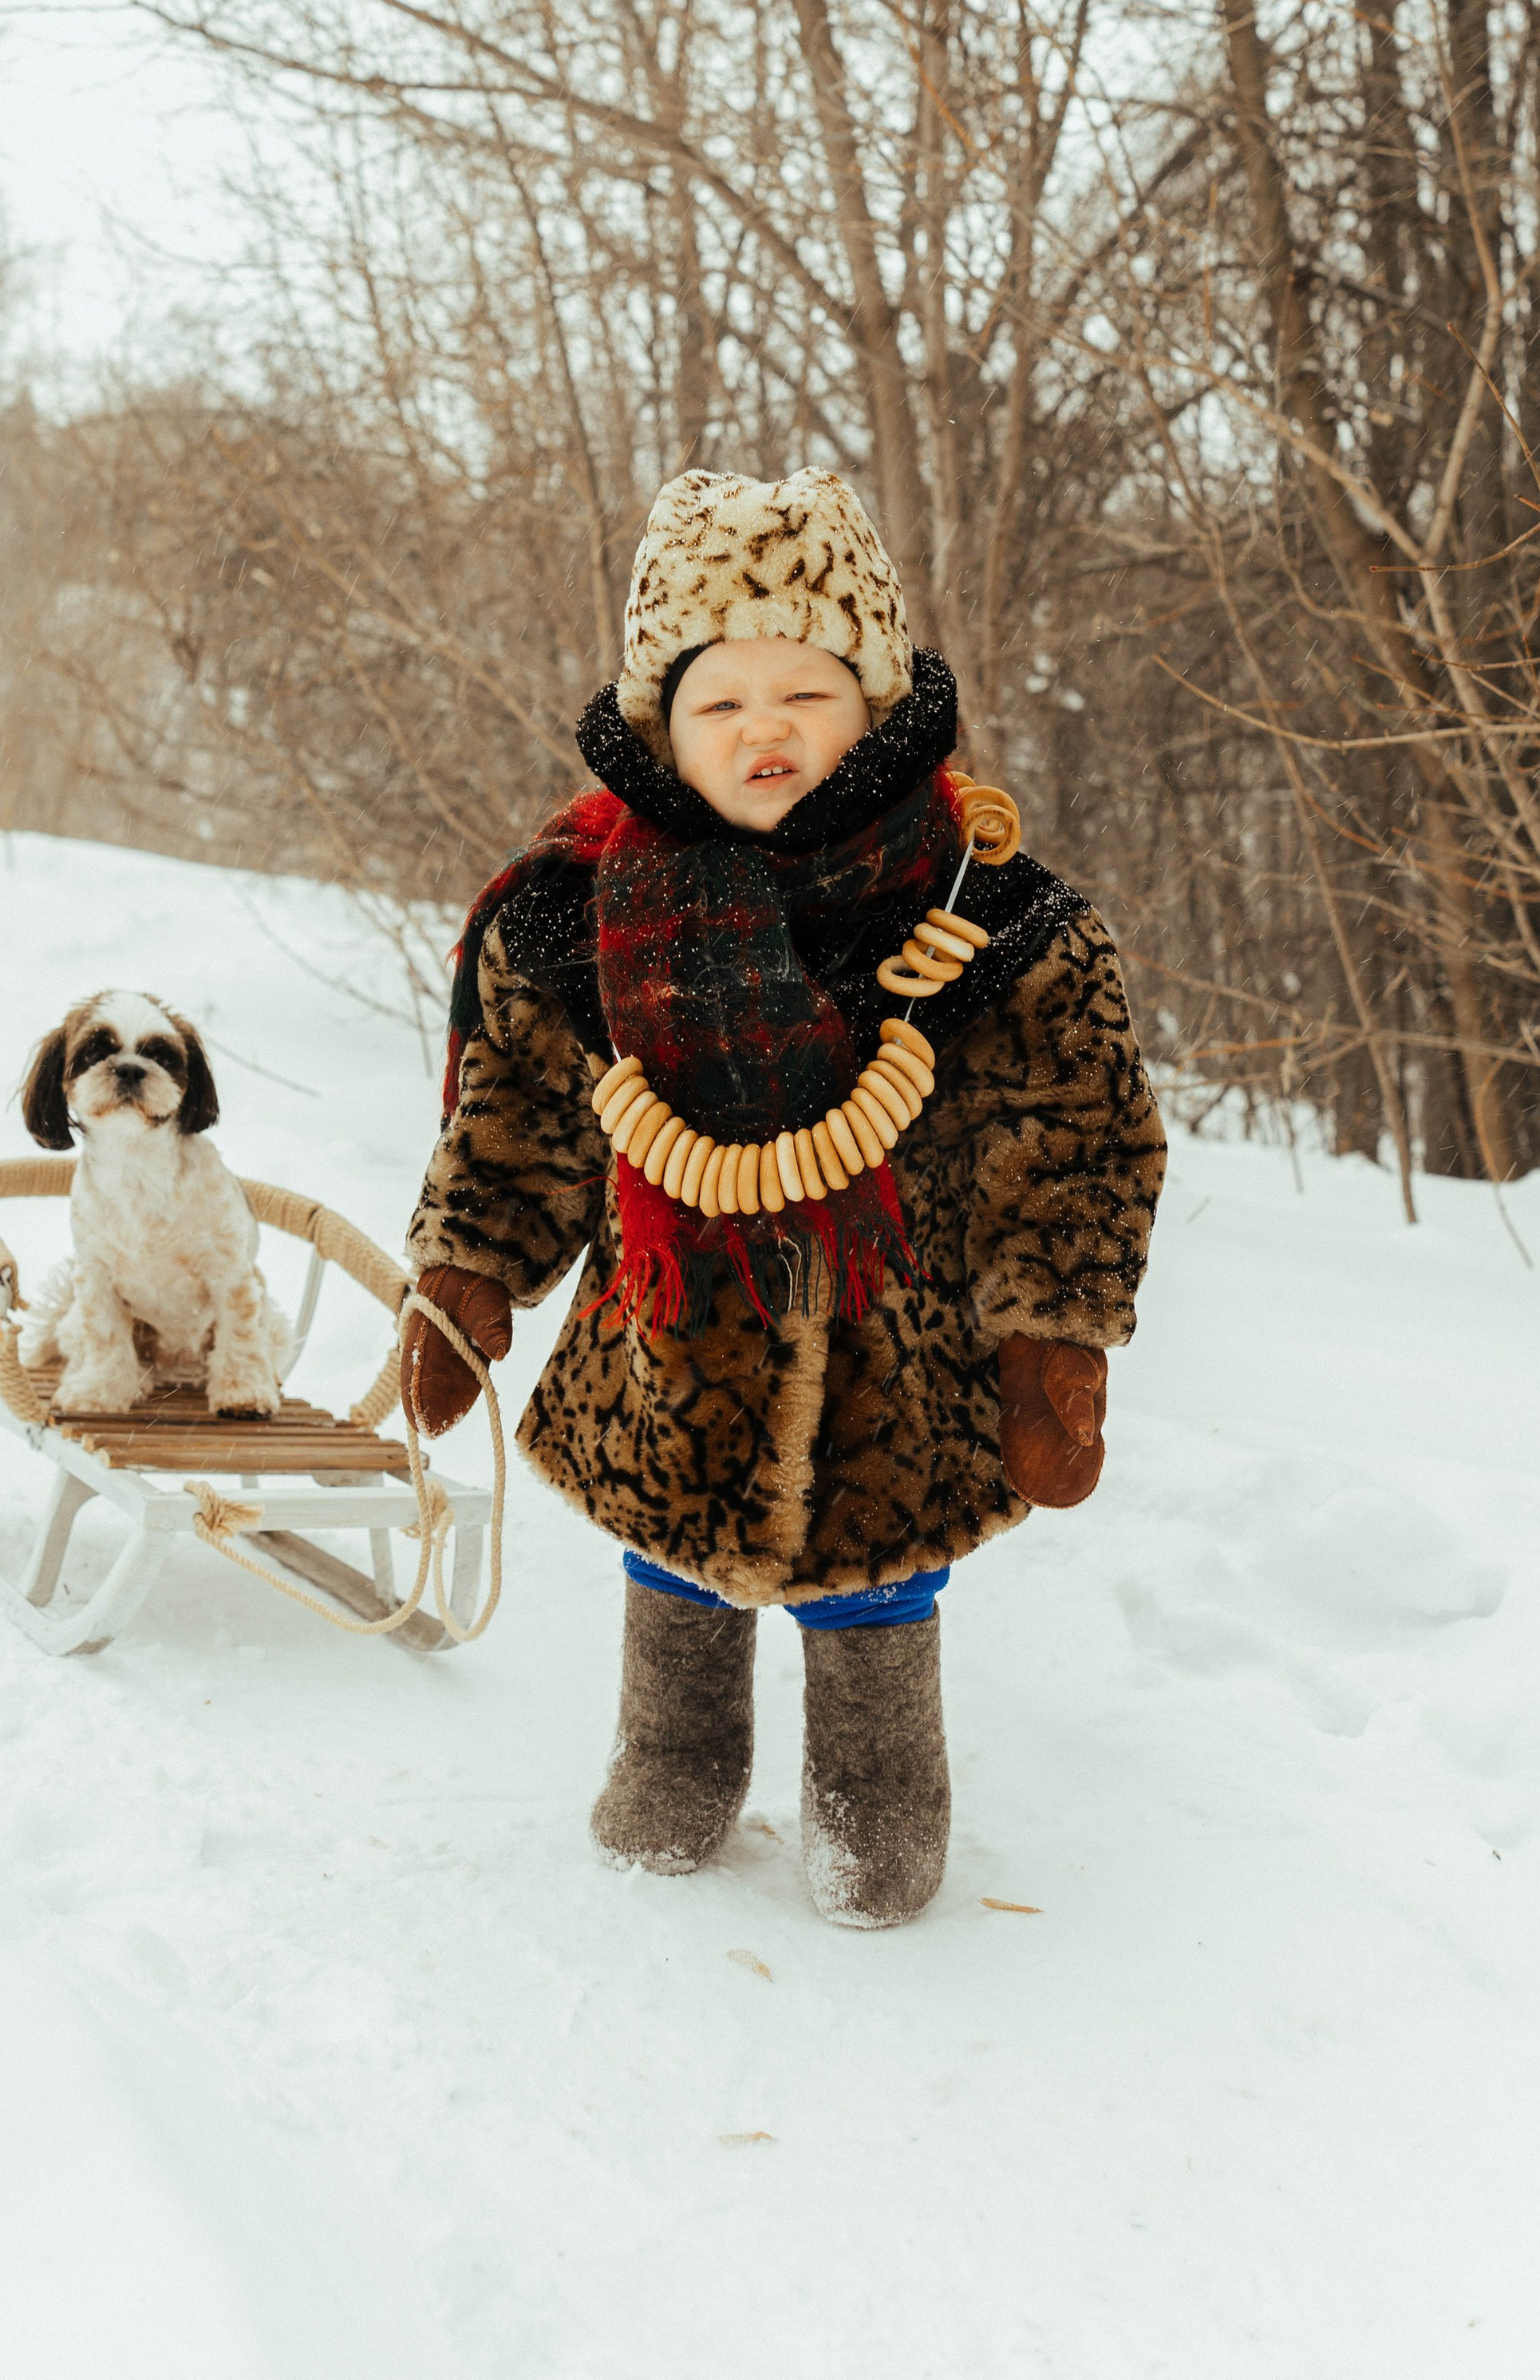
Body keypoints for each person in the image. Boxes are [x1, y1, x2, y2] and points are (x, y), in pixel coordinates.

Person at [399, 467, 1166, 1927]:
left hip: (901, 1356)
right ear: (661, 727)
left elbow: (1074, 1130)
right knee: (673, 1560)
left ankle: (877, 1792)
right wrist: (471, 1269)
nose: (766, 731)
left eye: (806, 692)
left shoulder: (986, 916)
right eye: (722, 701)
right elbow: (517, 1112)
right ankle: (676, 1756)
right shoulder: (573, 920)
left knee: (878, 1585)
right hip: (669, 1334)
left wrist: (1054, 1339)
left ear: (871, 705)